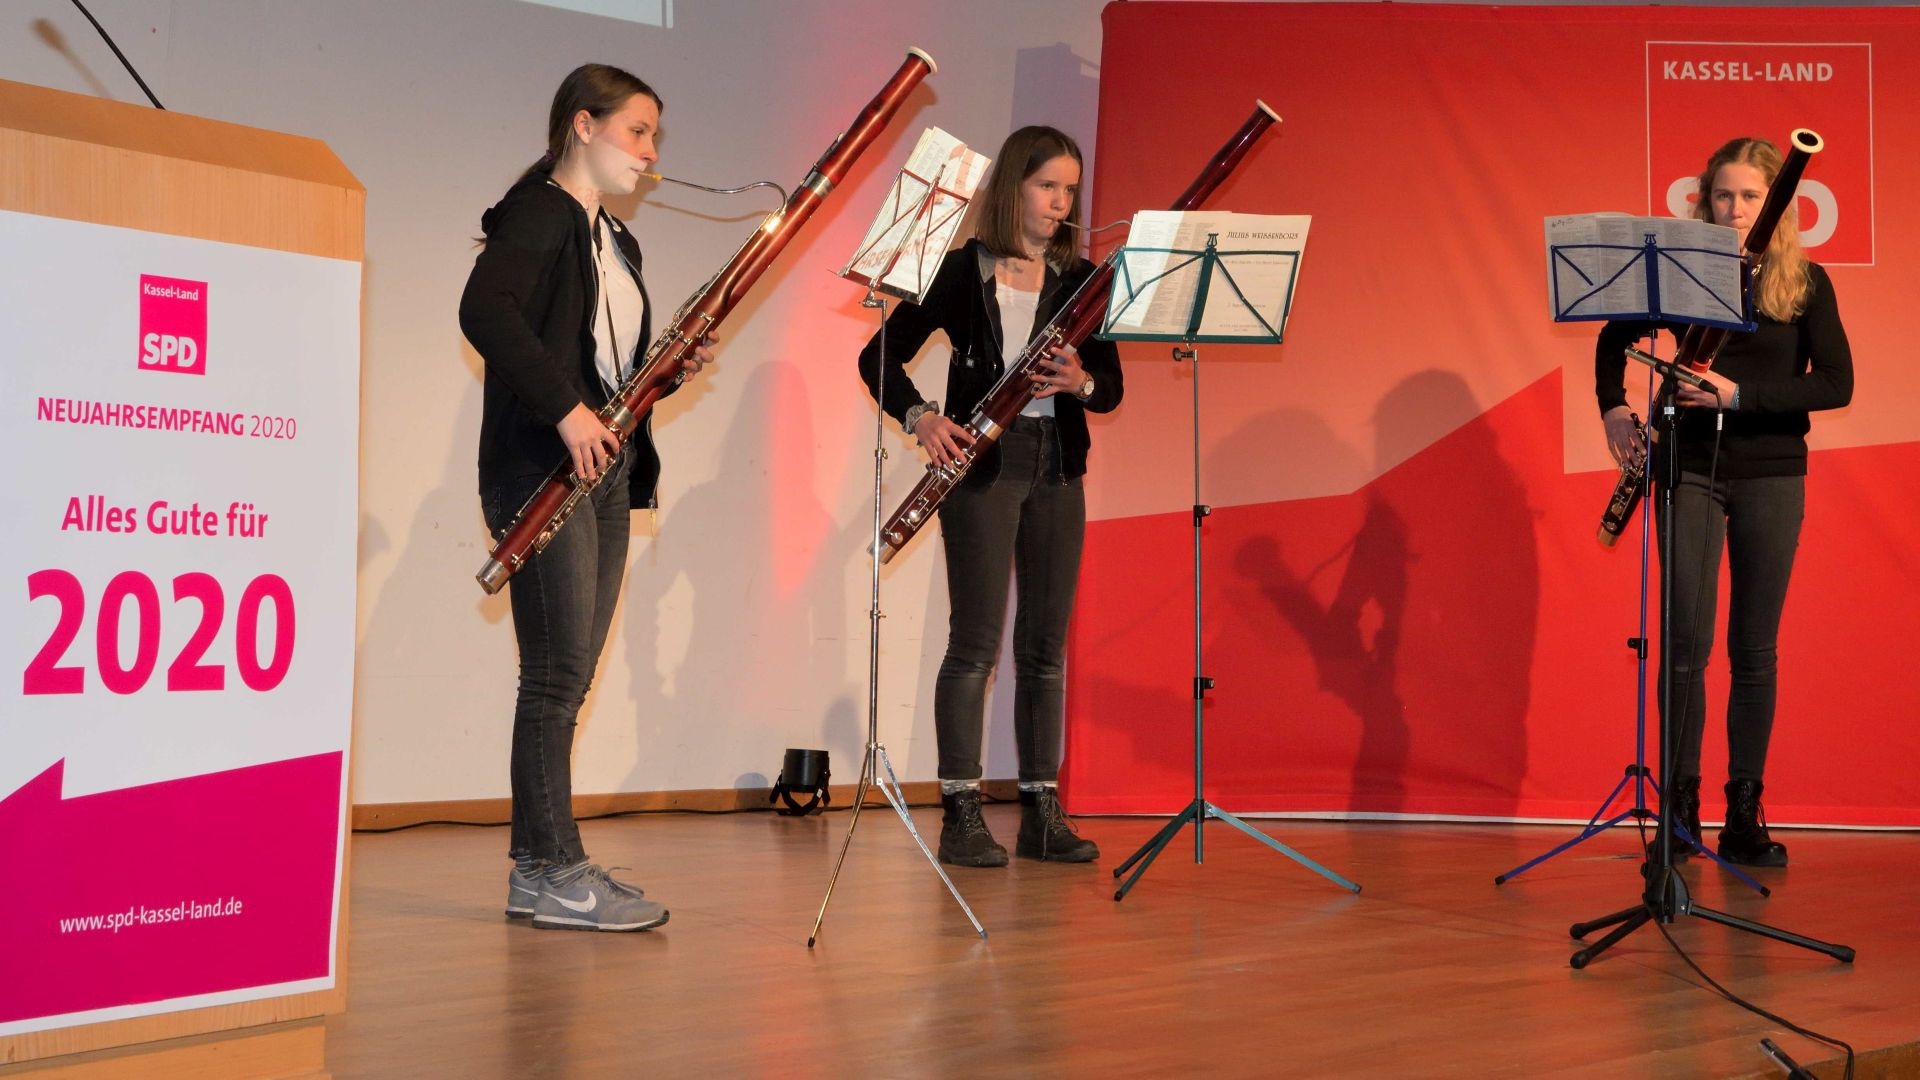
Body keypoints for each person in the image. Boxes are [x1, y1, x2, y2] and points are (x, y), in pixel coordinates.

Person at [459, 64, 712, 930]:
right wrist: (568, 412)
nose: (650, 153)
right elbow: (486, 312)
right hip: (541, 467)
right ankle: (557, 870)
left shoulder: (617, 241)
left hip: (600, 472)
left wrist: (666, 373)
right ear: (583, 125)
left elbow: (604, 371)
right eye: (638, 131)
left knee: (565, 678)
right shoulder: (539, 212)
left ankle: (540, 874)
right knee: (554, 677)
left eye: (654, 137)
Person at [857, 125, 1122, 867]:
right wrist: (921, 417)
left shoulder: (1085, 280)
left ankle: (1042, 813)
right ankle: (962, 813)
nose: (1061, 203)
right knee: (974, 644)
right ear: (1013, 189)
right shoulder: (958, 270)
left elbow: (1111, 388)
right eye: (1047, 187)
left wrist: (1082, 382)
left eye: (1070, 190)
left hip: (1058, 468)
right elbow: (877, 357)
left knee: (1043, 648)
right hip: (983, 468)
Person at [1594, 136, 1853, 867]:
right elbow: (1613, 337)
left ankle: (1743, 813)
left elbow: (1835, 383)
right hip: (1690, 467)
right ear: (1704, 203)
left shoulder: (1806, 282)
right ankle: (1680, 813)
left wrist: (1739, 396)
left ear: (1779, 203)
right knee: (1684, 647)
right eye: (1723, 196)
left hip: (1771, 470)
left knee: (1754, 650)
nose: (1736, 210)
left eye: (1750, 197)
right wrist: (1614, 408)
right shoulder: (1683, 276)